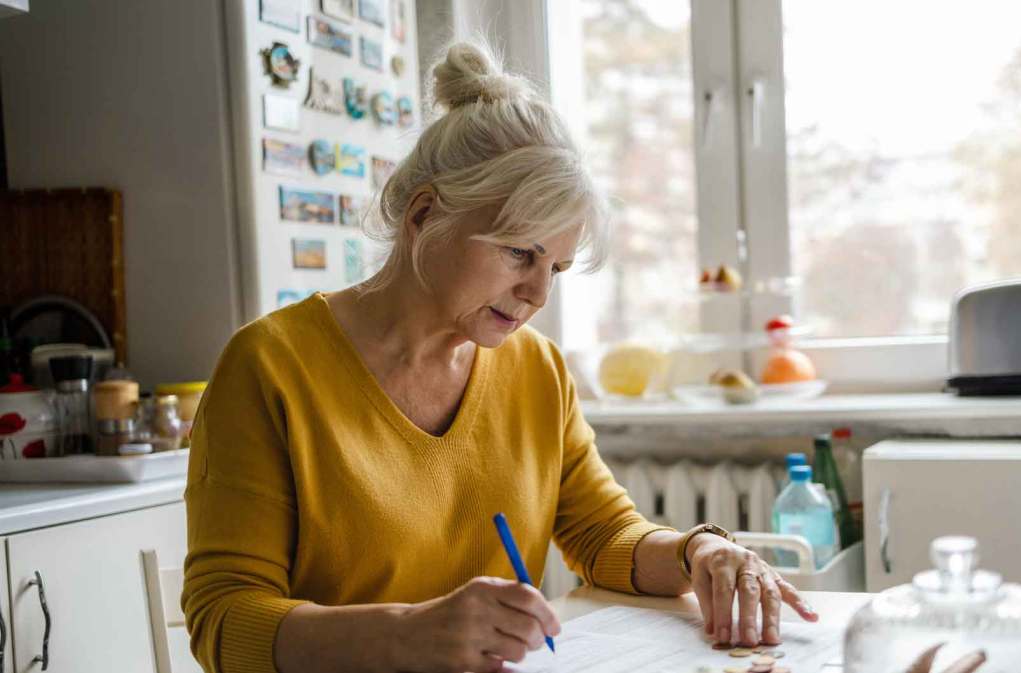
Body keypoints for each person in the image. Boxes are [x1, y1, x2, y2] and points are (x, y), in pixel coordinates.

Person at [181, 41, 817, 673]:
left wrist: (699, 552)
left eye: (556, 268)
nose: (538, 293)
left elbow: (604, 538)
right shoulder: (270, 366)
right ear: (425, 215)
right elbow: (223, 619)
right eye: (520, 253)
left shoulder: (535, 369)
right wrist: (404, 635)